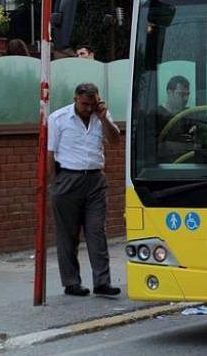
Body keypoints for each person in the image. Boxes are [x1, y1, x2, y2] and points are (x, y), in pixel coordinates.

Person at [48, 82, 121, 297]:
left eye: (93, 104)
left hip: (95, 180)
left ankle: (102, 282)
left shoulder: (101, 116)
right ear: (75, 100)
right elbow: (49, 154)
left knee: (96, 231)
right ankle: (71, 282)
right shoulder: (58, 119)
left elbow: (115, 140)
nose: (89, 109)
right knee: (68, 235)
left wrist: (103, 117)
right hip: (68, 178)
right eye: (85, 104)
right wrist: (54, 184)